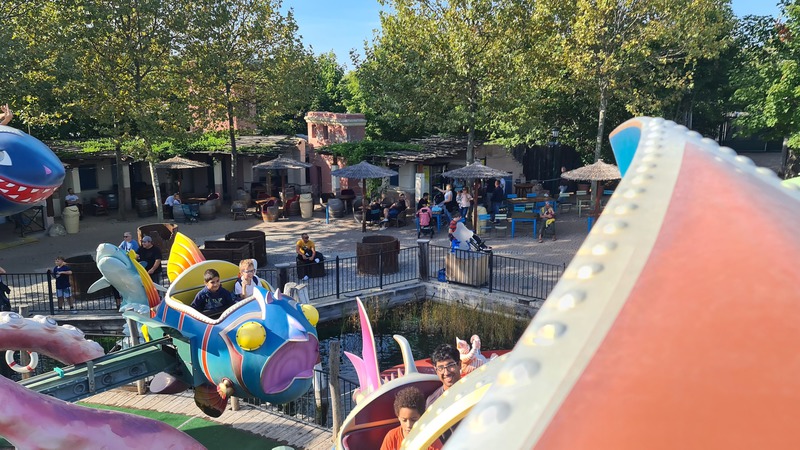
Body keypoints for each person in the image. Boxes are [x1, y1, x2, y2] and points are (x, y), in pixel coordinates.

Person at [425, 344, 463, 443]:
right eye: (440, 368)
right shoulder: (432, 402)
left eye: (450, 365)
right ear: (436, 370)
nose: (446, 372)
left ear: (459, 364)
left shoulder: (475, 391)